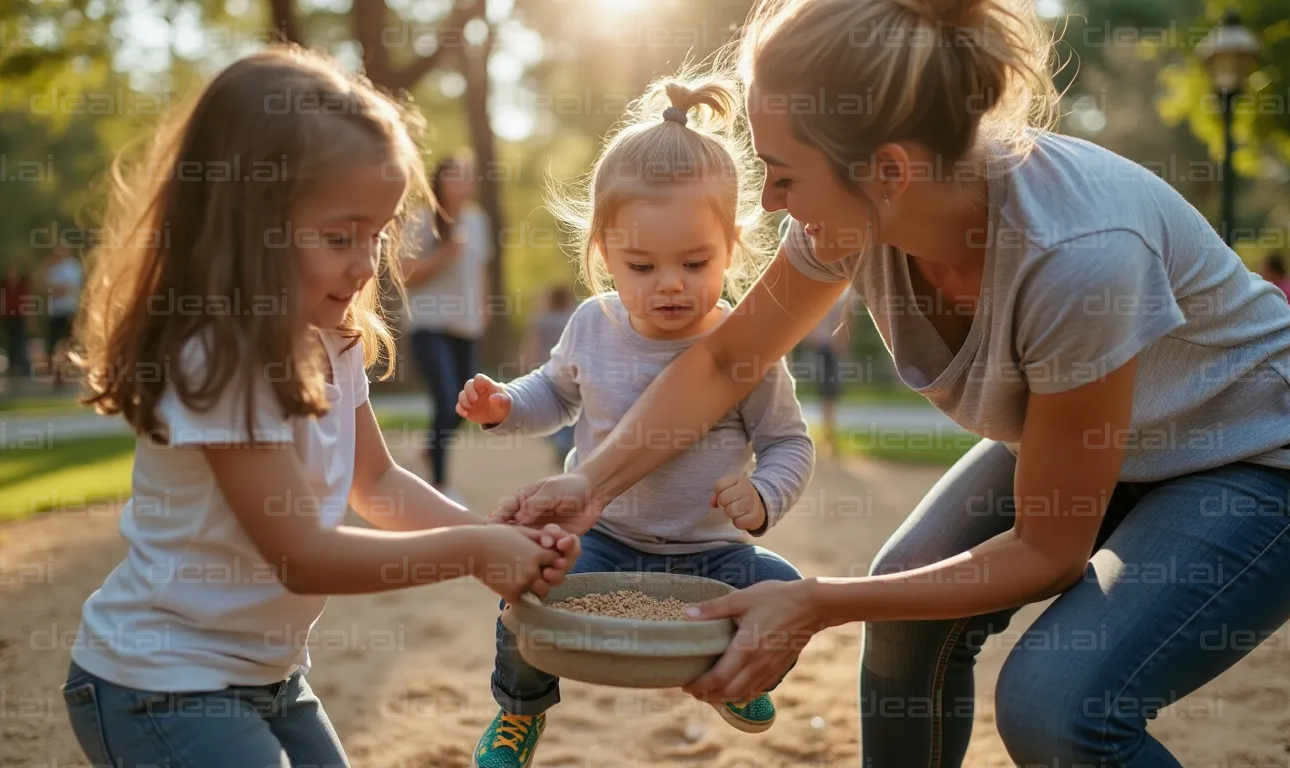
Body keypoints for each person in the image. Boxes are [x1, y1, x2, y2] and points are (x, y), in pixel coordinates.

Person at [492, 1, 1290, 765]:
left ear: (887, 170)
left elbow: (1048, 550)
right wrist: (589, 484)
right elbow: (722, 361)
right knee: (905, 627)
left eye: (785, 173)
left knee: (1055, 706)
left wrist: (816, 600)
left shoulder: (1077, 257)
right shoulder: (851, 216)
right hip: (1100, 434)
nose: (774, 202)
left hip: (1262, 456)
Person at [64, 47, 578, 768]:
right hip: (159, 683)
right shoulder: (218, 356)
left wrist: (493, 538)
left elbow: (378, 484)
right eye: (341, 236)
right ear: (248, 223)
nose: (367, 264)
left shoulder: (332, 341)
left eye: (377, 233)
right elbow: (300, 555)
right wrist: (470, 552)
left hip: (273, 680)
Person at [455, 78, 816, 768]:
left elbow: (788, 442)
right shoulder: (593, 325)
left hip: (711, 552)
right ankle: (518, 713)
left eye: (695, 262)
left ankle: (739, 682)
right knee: (525, 583)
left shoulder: (748, 345)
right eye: (642, 266)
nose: (671, 284)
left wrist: (765, 493)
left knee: (784, 587)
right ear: (603, 254)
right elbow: (555, 395)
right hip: (605, 538)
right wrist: (505, 405)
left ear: (733, 246)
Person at [401, 153, 493, 501]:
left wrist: (483, 308)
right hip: (428, 323)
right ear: (440, 181)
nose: (465, 183)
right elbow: (406, 275)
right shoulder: (421, 220)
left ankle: (426, 449)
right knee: (445, 398)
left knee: (465, 405)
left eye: (469, 176)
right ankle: (440, 484)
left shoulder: (477, 221)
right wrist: (446, 253)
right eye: (458, 176)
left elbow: (479, 270)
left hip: (465, 325)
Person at [519, 284, 579, 470]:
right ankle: (564, 444)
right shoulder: (572, 318)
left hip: (546, 369)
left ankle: (560, 443)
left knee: (548, 409)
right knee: (569, 411)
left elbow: (532, 345)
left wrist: (525, 364)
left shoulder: (541, 320)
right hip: (568, 370)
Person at [796, 288, 850, 456]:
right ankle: (824, 437)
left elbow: (845, 320)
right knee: (824, 394)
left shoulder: (841, 291)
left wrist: (840, 343)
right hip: (820, 346)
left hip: (829, 348)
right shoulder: (829, 289)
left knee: (828, 394)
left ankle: (828, 436)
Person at [42, 244, 83, 389]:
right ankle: (56, 376)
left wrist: (56, 288)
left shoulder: (72, 266)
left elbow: (67, 289)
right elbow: (46, 288)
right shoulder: (51, 268)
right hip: (55, 312)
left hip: (69, 310)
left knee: (69, 344)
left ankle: (69, 374)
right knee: (53, 345)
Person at [0, 262, 31, 378]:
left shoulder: (22, 286)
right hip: (7, 317)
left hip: (19, 316)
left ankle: (20, 364)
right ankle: (12, 364)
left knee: (19, 339)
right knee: (10, 340)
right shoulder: (3, 286)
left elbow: (26, 302)